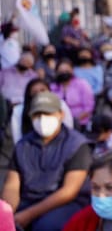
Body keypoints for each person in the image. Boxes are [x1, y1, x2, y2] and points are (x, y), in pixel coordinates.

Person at [1, 92, 92, 231]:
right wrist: (8, 215)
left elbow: (69, 191)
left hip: (63, 204)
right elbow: (12, 186)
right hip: (28, 200)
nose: (43, 119)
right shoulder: (22, 145)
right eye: (38, 115)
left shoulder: (77, 145)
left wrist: (27, 215)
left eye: (48, 114)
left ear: (61, 114)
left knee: (46, 227)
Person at [11, 78, 74, 145]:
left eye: (43, 90)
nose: (39, 94)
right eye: (34, 92)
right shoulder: (18, 110)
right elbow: (17, 139)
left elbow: (69, 127)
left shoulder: (60, 105)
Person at [51, 59, 95, 129]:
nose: (64, 73)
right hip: (58, 123)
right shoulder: (53, 87)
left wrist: (74, 120)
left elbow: (88, 107)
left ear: (72, 70)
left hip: (80, 123)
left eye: (67, 71)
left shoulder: (82, 84)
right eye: (61, 71)